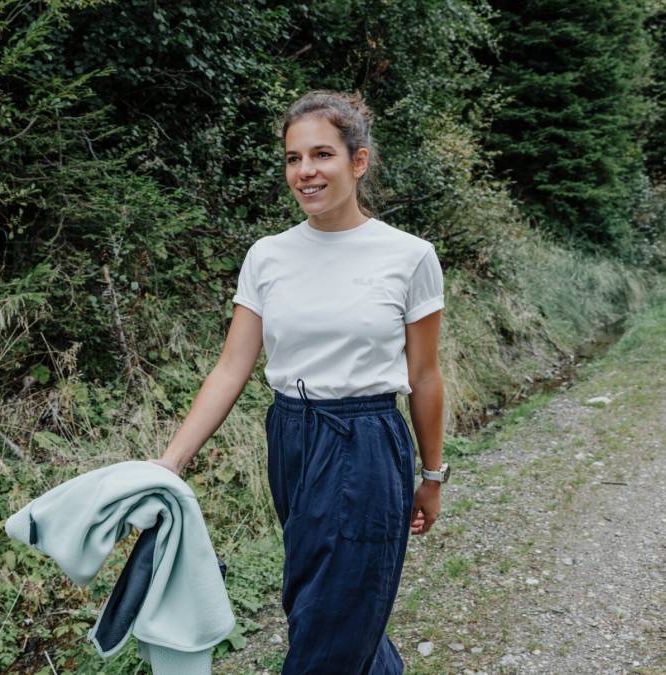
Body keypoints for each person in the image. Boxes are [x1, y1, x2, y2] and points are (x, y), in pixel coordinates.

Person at [148, 89, 446, 674]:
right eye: (293, 158)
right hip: (290, 438)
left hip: (365, 442)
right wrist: (171, 461)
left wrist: (432, 476)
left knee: (332, 617)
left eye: (322, 155)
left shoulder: (409, 256)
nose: (305, 171)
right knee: (322, 598)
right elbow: (231, 367)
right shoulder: (268, 256)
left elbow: (425, 375)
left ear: (358, 162)